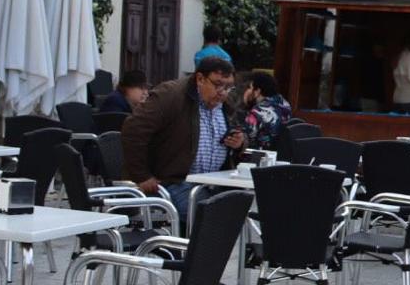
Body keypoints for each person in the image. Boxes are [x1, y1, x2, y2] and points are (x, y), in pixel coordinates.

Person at [120, 56, 246, 224]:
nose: (223, 92)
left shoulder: (225, 102)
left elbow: (240, 133)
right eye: (217, 84)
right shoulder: (170, 95)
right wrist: (142, 175)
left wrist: (239, 143)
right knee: (212, 218)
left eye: (228, 86)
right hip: (175, 181)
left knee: (241, 210)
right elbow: (133, 129)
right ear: (200, 79)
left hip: (214, 182)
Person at [240, 72, 292, 151]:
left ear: (257, 91)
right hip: (282, 154)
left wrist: (246, 104)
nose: (247, 91)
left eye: (249, 88)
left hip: (261, 155)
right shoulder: (285, 105)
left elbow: (245, 139)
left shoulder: (258, 111)